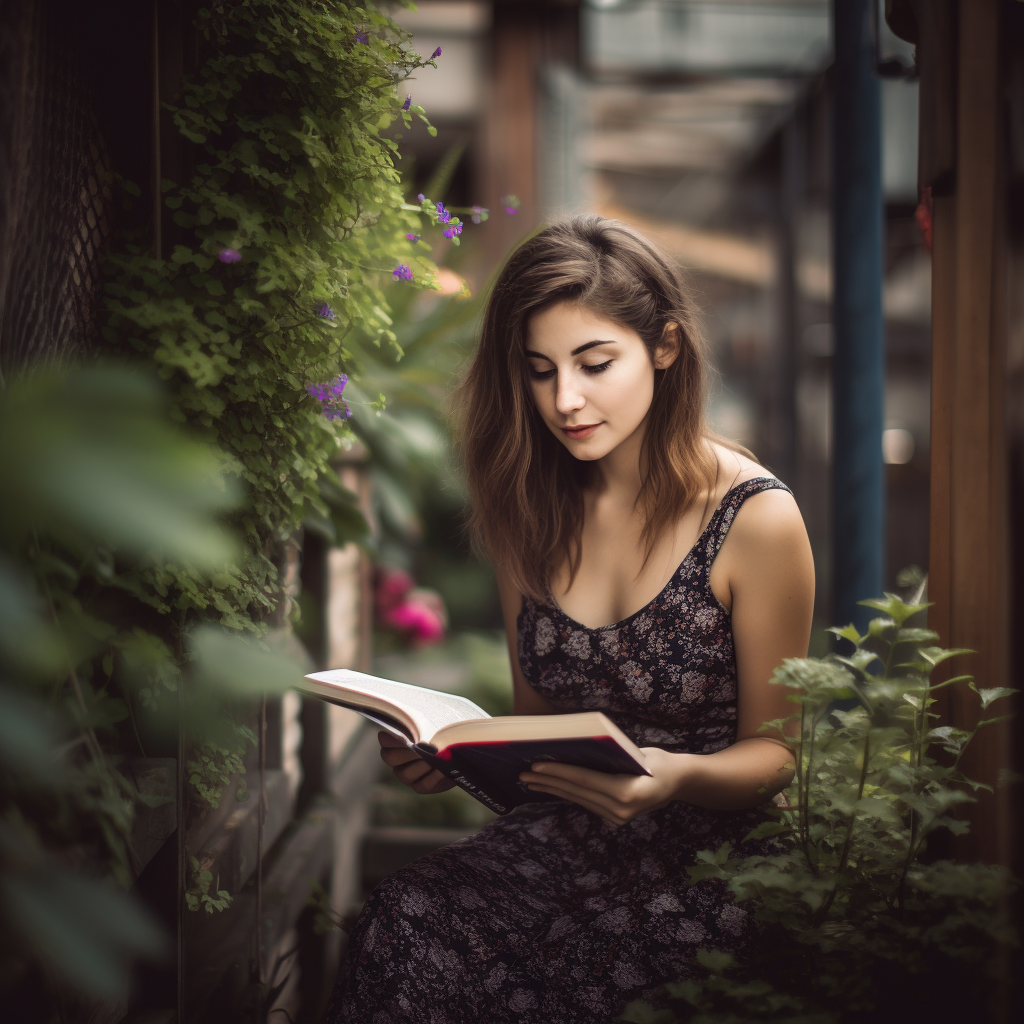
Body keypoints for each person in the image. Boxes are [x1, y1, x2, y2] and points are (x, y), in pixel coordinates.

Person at [327, 215, 815, 1023]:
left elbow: (778, 753)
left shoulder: (755, 519)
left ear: (664, 347)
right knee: (406, 917)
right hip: (570, 841)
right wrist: (447, 759)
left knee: (568, 976)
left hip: (715, 861)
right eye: (540, 369)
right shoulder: (531, 509)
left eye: (595, 364)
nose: (565, 399)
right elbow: (542, 728)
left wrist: (678, 775)